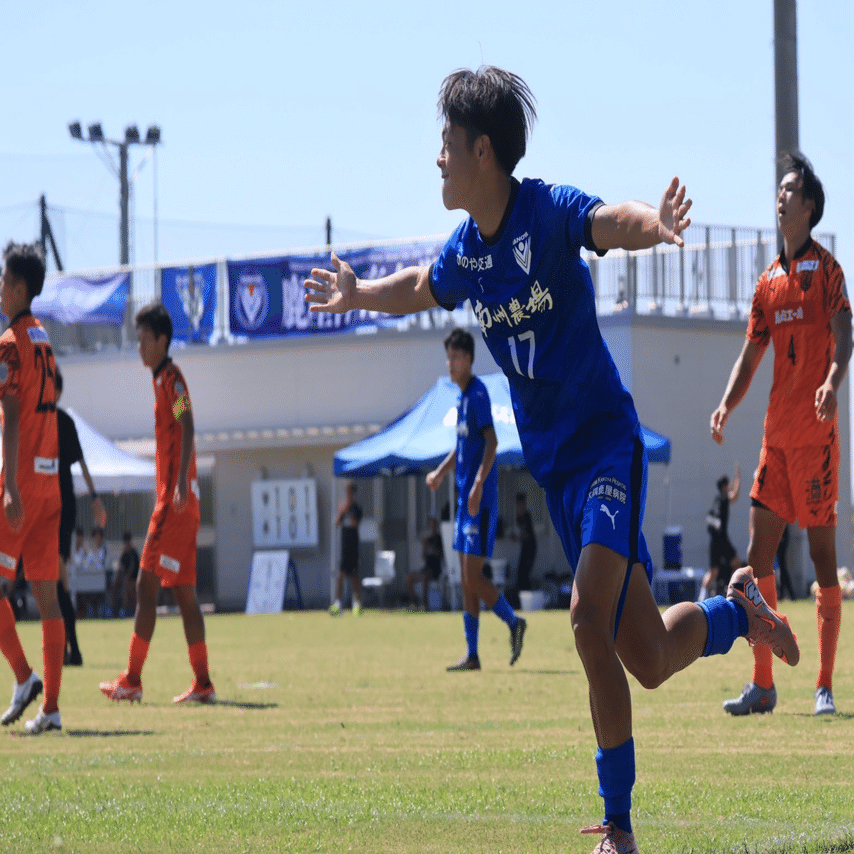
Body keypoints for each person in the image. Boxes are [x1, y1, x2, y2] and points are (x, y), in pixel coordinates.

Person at [304, 66, 799, 852]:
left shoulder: (546, 210)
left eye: (445, 143)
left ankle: (621, 826)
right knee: (647, 656)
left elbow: (614, 220)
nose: (436, 157)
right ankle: (741, 609)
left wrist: (659, 227)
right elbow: (418, 286)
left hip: (606, 444)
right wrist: (360, 293)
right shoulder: (467, 252)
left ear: (484, 151)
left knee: (582, 618)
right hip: (560, 472)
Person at [711, 151, 850, 717]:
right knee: (756, 557)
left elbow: (846, 333)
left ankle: (823, 685)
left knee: (821, 559)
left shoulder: (828, 271)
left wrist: (834, 382)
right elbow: (750, 355)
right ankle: (763, 685)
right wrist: (725, 404)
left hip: (815, 439)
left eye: (791, 191)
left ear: (810, 206)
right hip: (776, 439)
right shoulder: (768, 280)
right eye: (779, 190)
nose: (781, 197)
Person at [99, 302, 215, 705]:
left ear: (162, 340)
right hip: (184, 502)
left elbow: (188, 424)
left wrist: (180, 481)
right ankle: (203, 683)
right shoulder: (161, 380)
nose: (139, 347)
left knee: (144, 585)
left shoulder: (171, 379)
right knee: (183, 593)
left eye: (144, 339)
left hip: (174, 502)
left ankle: (132, 679)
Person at [425, 328, 525, 670]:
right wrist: (441, 472)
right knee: (466, 578)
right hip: (465, 500)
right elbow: (462, 447)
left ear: (469, 359)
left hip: (478, 502)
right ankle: (472, 654)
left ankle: (513, 622)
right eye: (448, 357)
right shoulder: (462, 397)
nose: (450, 364)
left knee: (471, 576)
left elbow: (492, 442)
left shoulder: (479, 394)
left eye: (456, 357)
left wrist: (479, 483)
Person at [0, 241, 66, 733]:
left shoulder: (8, 341)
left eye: (3, 280)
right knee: (47, 594)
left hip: (22, 481)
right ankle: (52, 708)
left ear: (19, 287)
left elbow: (13, 412)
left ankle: (24, 678)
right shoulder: (44, 336)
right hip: (50, 478)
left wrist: (10, 487)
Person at [54, 367, 107, 662]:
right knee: (57, 582)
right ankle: (69, 649)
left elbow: (82, 464)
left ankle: (69, 649)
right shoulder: (35, 420)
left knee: (56, 577)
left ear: (57, 391)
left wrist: (96, 499)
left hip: (62, 507)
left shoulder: (63, 422)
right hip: (45, 506)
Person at [699, 465, 744, 601]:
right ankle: (732, 592)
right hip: (723, 540)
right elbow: (734, 496)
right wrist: (738, 479)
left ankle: (701, 598)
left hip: (714, 541)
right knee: (736, 564)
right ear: (724, 486)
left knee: (713, 572)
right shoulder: (724, 499)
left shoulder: (716, 500)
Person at [329, 481, 363, 615]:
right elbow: (336, 524)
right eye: (346, 492)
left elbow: (355, 524)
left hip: (353, 546)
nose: (347, 495)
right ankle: (338, 603)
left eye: (349, 492)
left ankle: (358, 603)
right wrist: (340, 512)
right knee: (341, 576)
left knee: (354, 576)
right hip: (344, 546)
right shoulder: (343, 509)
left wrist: (347, 511)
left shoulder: (356, 508)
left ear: (352, 494)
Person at [406, 516, 443, 609]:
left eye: (434, 524)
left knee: (426, 577)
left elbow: (440, 555)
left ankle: (425, 603)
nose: (432, 526)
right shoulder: (428, 539)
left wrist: (430, 545)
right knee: (409, 577)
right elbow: (423, 556)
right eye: (430, 525)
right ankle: (413, 601)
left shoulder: (439, 538)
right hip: (426, 567)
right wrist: (424, 546)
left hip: (435, 569)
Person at [109, 531, 140, 617]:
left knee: (127, 588)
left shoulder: (134, 553)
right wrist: (116, 579)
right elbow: (120, 567)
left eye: (128, 541)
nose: (127, 544)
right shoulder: (124, 553)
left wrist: (126, 579)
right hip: (125, 580)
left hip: (134, 579)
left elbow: (132, 567)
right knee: (114, 586)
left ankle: (126, 611)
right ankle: (114, 611)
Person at [513, 492, 537, 595]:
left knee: (524, 573)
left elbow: (528, 536)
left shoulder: (527, 516)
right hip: (524, 548)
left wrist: (518, 537)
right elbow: (521, 536)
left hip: (530, 548)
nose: (519, 506)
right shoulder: (518, 518)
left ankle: (527, 597)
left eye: (521, 504)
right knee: (520, 573)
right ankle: (522, 597)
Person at [776, 524, 796, 601]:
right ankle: (786, 594)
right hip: (781, 539)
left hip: (782, 540)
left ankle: (789, 594)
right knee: (782, 568)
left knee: (783, 568)